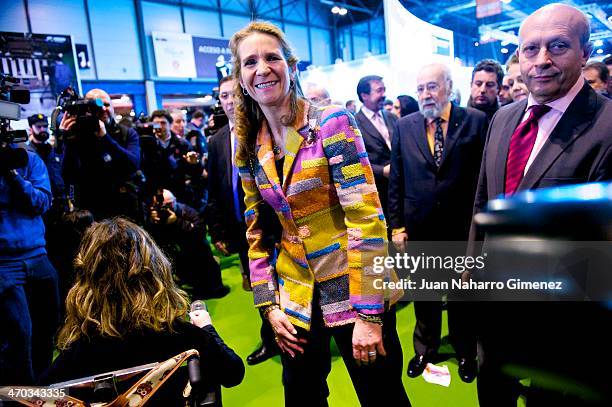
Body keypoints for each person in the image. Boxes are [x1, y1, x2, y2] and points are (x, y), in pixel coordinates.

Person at [230, 21, 409, 406]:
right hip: (294, 294)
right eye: (250, 62)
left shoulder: (331, 122)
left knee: (383, 397)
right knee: (302, 396)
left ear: (291, 67)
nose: (262, 69)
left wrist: (370, 314)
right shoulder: (247, 146)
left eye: (272, 57)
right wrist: (268, 305)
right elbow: (256, 231)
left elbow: (367, 218)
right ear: (241, 78)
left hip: (354, 284)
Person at [470, 4, 612, 406]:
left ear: (584, 54)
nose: (541, 61)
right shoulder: (503, 118)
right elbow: (484, 204)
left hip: (564, 325)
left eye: (558, 46)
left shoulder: (607, 126)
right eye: (530, 49)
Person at [40, 218, 243, 404]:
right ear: (153, 270)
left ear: (88, 279)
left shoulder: (79, 351)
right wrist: (207, 328)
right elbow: (234, 373)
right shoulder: (182, 336)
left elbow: (34, 395)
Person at [388, 63, 487, 383]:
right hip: (420, 228)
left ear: (448, 86)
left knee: (462, 296)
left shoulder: (475, 120)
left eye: (432, 86)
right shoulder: (404, 126)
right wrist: (397, 226)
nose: (426, 94)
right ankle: (425, 349)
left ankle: (465, 351)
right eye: (420, 89)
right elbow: (397, 180)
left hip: (462, 228)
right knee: (425, 294)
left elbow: (482, 179)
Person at [206, 75, 279, 365]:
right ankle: (272, 337)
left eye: (234, 94)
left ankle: (282, 337)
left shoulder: (265, 129)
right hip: (240, 230)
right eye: (224, 96)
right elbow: (214, 189)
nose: (229, 101)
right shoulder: (217, 140)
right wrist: (218, 230)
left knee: (281, 284)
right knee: (258, 288)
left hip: (274, 226)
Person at [0, 144, 59, 384]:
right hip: (4, 263)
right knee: (19, 334)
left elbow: (42, 202)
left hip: (37, 255)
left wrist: (12, 174)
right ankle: (20, 394)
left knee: (48, 327)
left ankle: (42, 385)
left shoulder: (27, 160)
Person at [60, 88, 140, 220]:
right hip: (91, 209)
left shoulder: (126, 133)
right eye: (96, 105)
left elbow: (132, 164)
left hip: (124, 207)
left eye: (107, 104)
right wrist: (68, 140)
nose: (103, 108)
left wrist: (105, 137)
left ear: (113, 107)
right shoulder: (78, 136)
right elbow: (68, 175)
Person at [146, 189, 228, 299]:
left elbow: (200, 232)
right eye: (162, 206)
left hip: (200, 254)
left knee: (216, 290)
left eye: (168, 205)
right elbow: (153, 240)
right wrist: (152, 222)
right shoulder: (157, 218)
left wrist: (177, 221)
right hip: (180, 258)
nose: (166, 209)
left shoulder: (187, 211)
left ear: (174, 201)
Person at [354, 75, 397, 219]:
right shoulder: (354, 123)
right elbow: (354, 162)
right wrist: (382, 171)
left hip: (397, 188)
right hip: (376, 192)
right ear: (364, 95)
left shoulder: (391, 117)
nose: (384, 95)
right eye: (379, 91)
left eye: (384, 90)